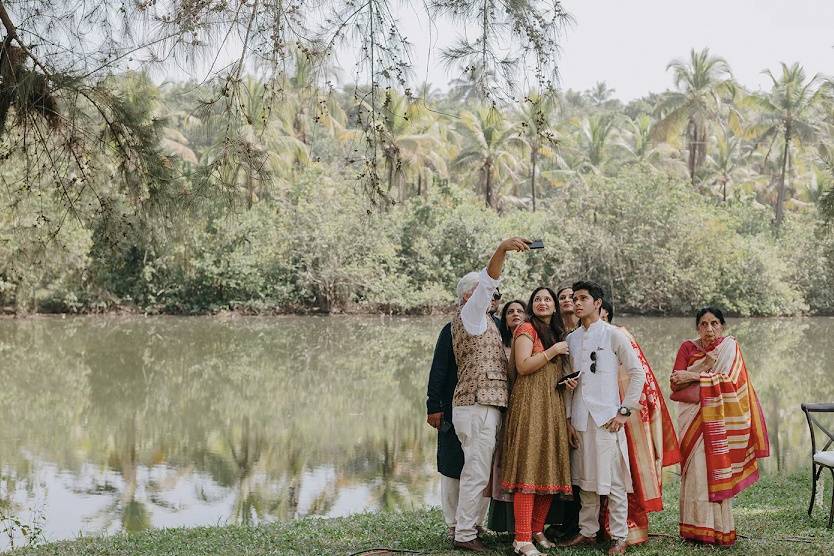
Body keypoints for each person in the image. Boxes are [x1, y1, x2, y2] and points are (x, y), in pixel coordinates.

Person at [450, 237, 531, 552]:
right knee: (476, 471)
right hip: (477, 404)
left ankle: (469, 528)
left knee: (478, 471)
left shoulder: (485, 322)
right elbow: (488, 280)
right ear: (471, 296)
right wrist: (502, 250)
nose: (496, 297)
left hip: (486, 405)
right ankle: (465, 535)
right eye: (491, 294)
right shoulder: (471, 316)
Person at [670, 307, 769, 546]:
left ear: (722, 326)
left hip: (717, 424)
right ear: (697, 327)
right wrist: (703, 366)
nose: (709, 329)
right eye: (703, 324)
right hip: (691, 422)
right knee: (695, 473)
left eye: (714, 323)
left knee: (712, 470)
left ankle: (718, 530)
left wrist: (695, 374)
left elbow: (732, 383)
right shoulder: (687, 347)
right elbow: (675, 384)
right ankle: (694, 530)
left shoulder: (729, 348)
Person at [560, 281, 645, 556]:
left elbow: (637, 373)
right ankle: (588, 532)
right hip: (580, 419)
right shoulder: (571, 339)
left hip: (608, 418)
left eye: (583, 298)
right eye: (575, 298)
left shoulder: (613, 335)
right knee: (585, 479)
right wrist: (569, 418)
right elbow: (569, 382)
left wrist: (624, 412)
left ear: (598, 303)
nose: (577, 303)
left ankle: (619, 536)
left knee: (615, 481)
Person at [499, 287, 576, 556]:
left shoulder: (556, 333)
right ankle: (521, 540)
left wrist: (568, 382)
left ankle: (535, 529)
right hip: (529, 406)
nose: (543, 303)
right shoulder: (526, 329)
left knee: (548, 467)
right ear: (532, 305)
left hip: (551, 406)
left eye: (548, 299)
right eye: (538, 299)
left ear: (555, 306)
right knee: (528, 468)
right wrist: (553, 350)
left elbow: (551, 374)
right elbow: (522, 366)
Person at [597, 300, 681, 546]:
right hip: (601, 414)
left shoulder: (620, 335)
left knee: (628, 472)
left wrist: (628, 409)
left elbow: (639, 375)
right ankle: (604, 528)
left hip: (627, 415)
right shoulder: (589, 338)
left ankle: (628, 531)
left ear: (604, 312)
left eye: (600, 312)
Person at [488, 299, 527, 536]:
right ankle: (505, 524)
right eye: (510, 311)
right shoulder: (498, 344)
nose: (515, 314)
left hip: (526, 410)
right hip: (504, 410)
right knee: (503, 464)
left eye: (520, 311)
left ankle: (528, 523)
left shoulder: (532, 341)